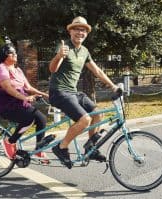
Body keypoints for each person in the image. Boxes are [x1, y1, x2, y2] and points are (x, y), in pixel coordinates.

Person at [49, 16, 121, 169]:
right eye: (77, 29)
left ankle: (91, 148)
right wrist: (59, 55)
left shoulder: (85, 51)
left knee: (98, 114)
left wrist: (113, 86)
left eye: (83, 30)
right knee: (85, 120)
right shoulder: (64, 47)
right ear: (71, 32)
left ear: (86, 34)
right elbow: (53, 69)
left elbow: (97, 71)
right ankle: (61, 147)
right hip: (59, 92)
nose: (80, 32)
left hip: (73, 92)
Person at [0, 43, 49, 163]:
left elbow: (28, 87)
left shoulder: (17, 70)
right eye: (12, 53)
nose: (15, 54)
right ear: (5, 55)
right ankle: (10, 142)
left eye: (15, 52)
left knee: (41, 119)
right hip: (5, 105)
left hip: (19, 104)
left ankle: (39, 149)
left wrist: (44, 94)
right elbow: (8, 88)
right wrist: (24, 97)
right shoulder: (0, 68)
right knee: (28, 118)